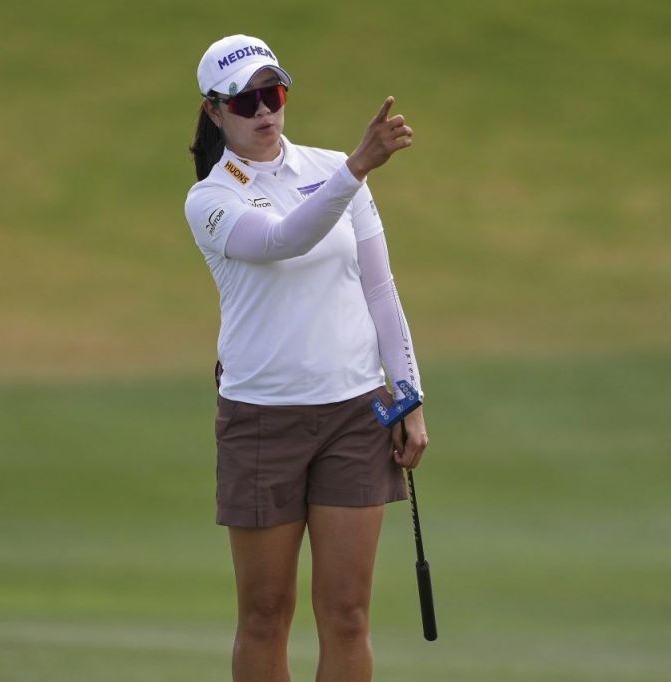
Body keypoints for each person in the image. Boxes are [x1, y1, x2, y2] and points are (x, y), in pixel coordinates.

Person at [184, 34, 429, 682]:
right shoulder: (211, 199)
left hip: (355, 414)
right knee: (265, 615)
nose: (264, 111)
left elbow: (380, 289)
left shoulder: (330, 168)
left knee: (347, 615)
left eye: (273, 93)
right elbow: (282, 241)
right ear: (214, 112)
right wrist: (357, 169)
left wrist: (409, 396)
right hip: (262, 419)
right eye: (246, 102)